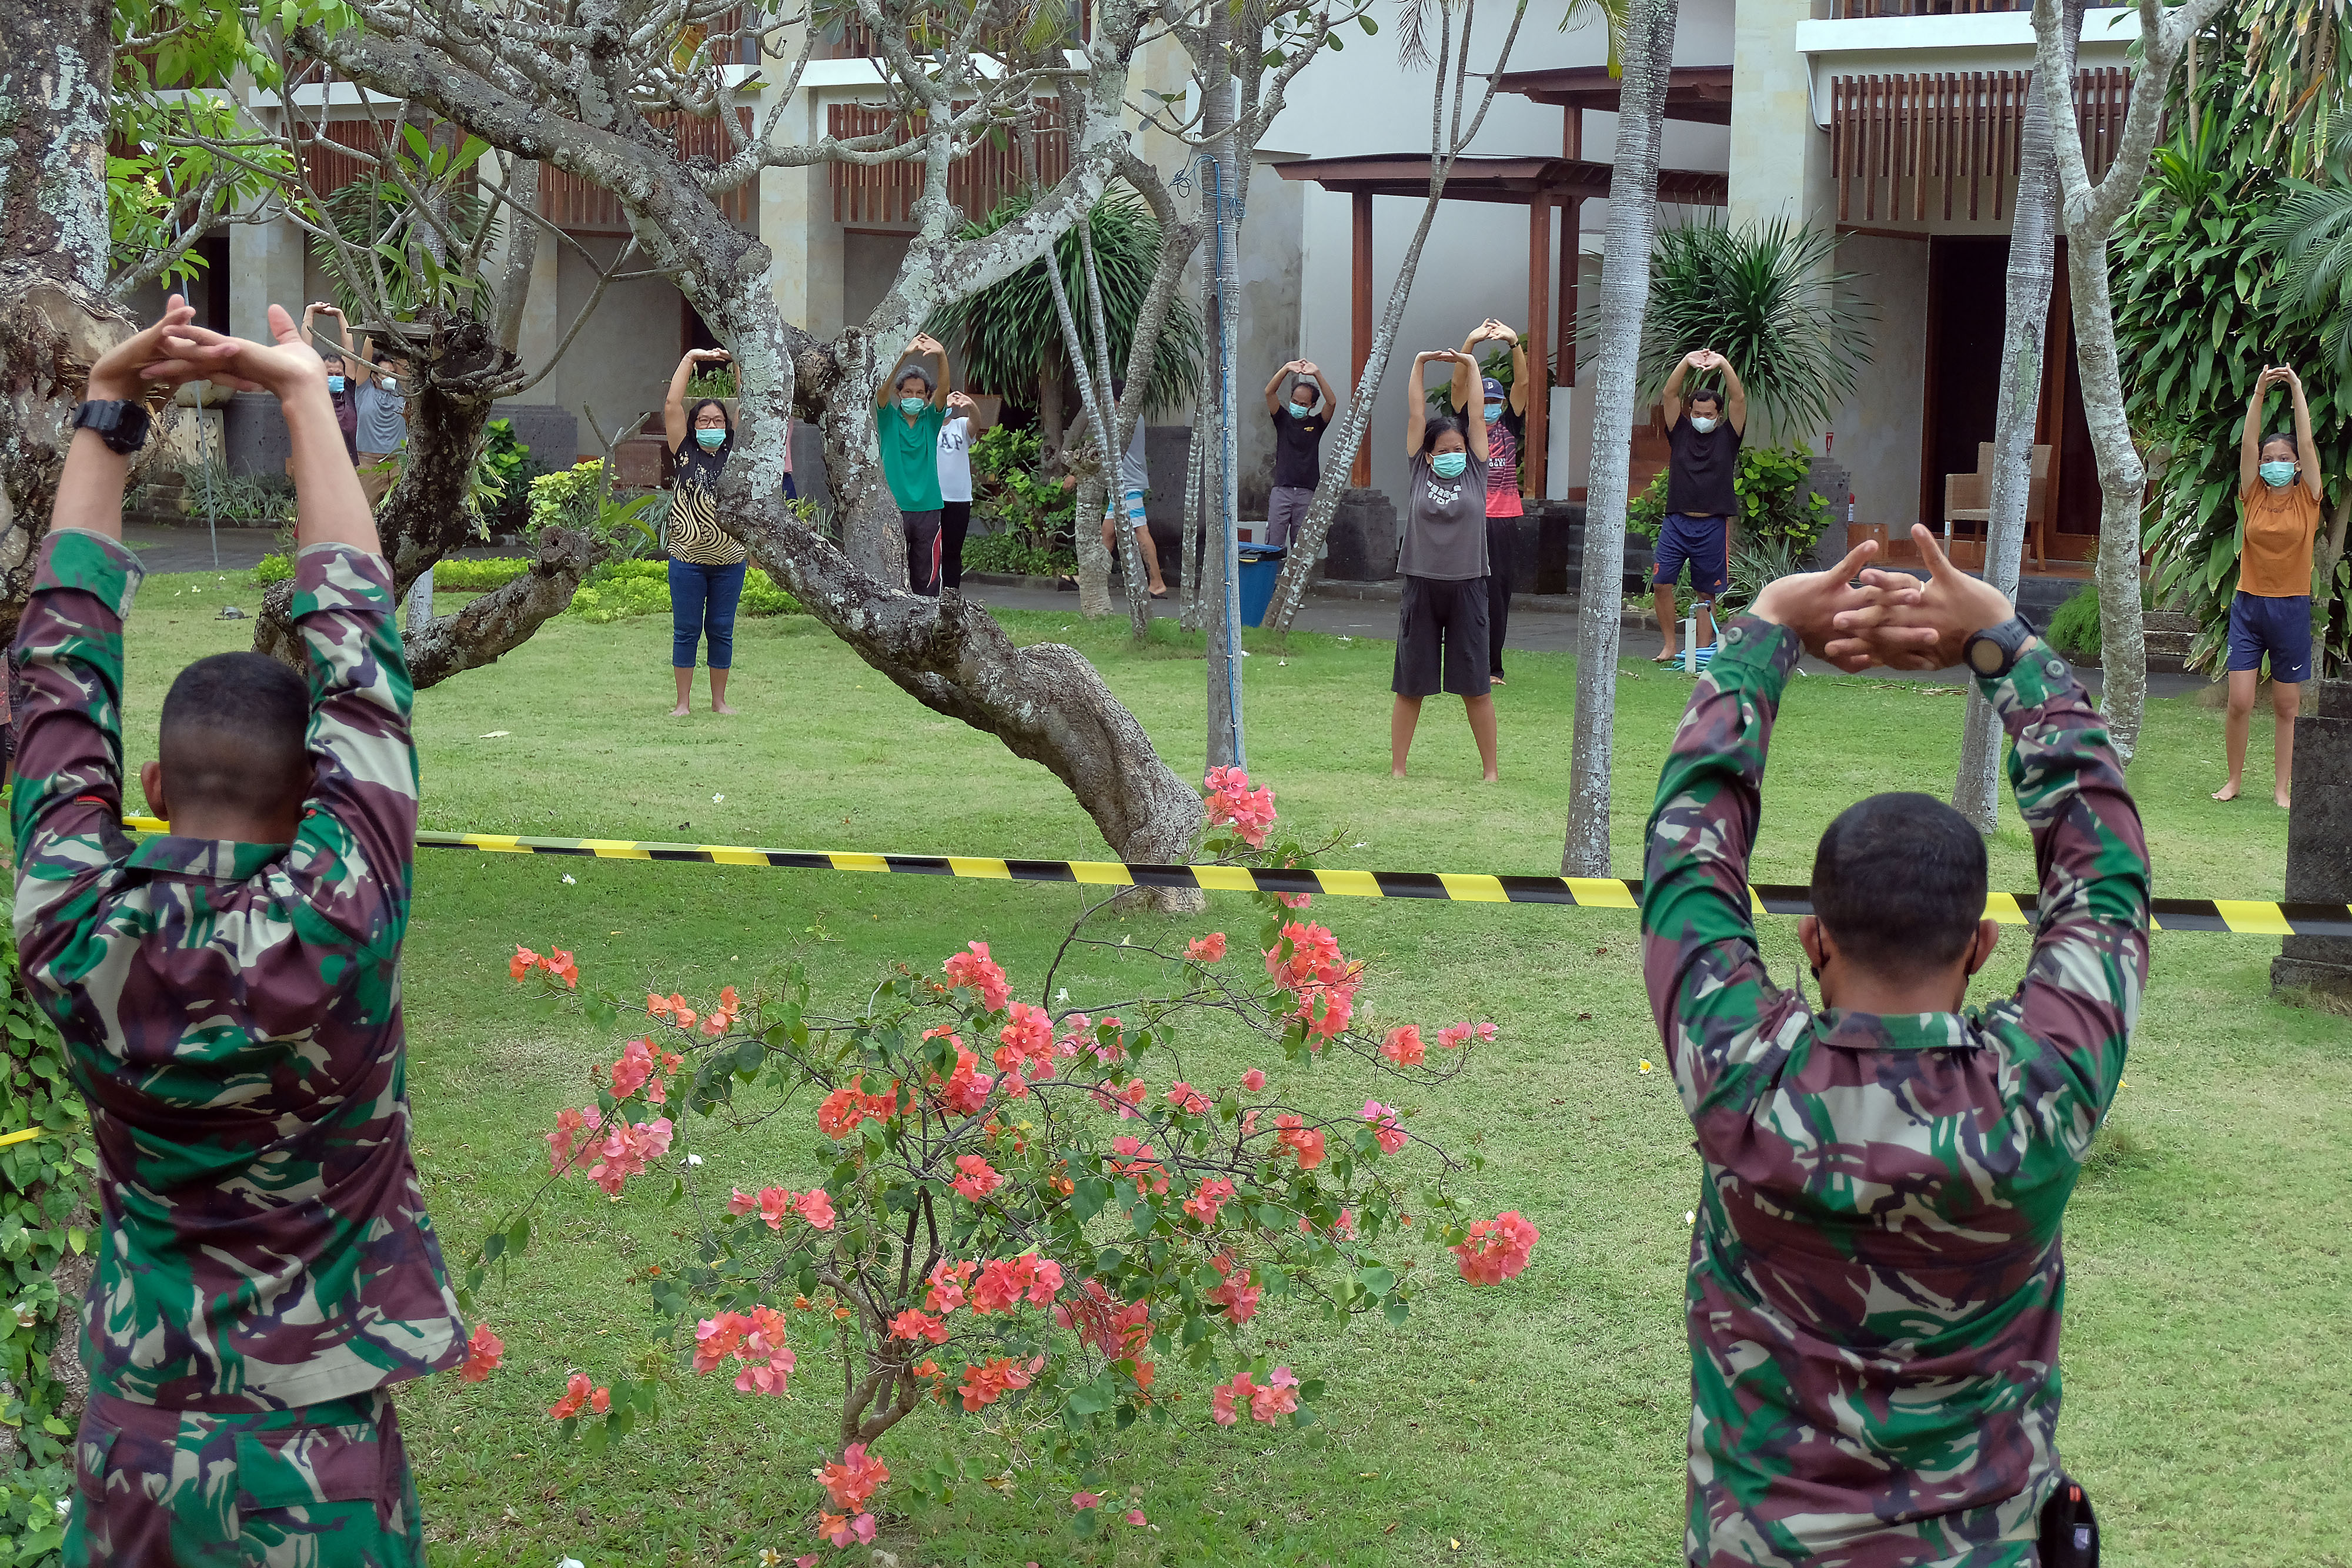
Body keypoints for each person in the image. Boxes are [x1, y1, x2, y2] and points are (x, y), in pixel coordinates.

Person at [16, 296, 470, 1563]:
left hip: (136, 1445)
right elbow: (359, 635)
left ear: (153, 791)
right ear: (318, 793)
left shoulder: (72, 918)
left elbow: (58, 678)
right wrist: (305, 393)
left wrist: (111, 415)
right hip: (319, 1460)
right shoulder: (344, 906)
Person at [1642, 523, 2149, 1567]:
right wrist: (2001, 642)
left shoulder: (1744, 1076)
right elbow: (2104, 873)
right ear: (1983, 947)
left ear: (1813, 940)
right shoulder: (2038, 1096)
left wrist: (1767, 631)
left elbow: (1689, 854)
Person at [2214, 363, 2324, 807]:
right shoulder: (2253, 493)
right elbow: (2247, 441)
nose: (2275, 465)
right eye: (2268, 460)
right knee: (2240, 700)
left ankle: (2282, 789)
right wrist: (2259, 392)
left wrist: (2296, 388)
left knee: (2286, 706)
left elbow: (2310, 440)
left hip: (2292, 608)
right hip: (2249, 606)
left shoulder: (2309, 496)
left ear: (2297, 465)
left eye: (2284, 460)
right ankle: (2234, 780)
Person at [1390, 348, 1496, 782]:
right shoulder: (1419, 470)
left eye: (1459, 447)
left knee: (1476, 686)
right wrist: (1418, 363)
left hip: (1468, 585)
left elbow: (1474, 417)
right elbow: (1416, 414)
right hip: (1422, 586)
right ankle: (1399, 767)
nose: (1453, 452)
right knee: (1410, 684)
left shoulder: (1476, 470)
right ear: (1430, 454)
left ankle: (1490, 771)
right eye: (1444, 449)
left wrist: (1470, 365)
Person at [664, 345, 747, 716]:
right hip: (687, 558)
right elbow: (671, 405)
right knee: (686, 631)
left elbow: (750, 403)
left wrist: (738, 363)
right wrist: (692, 358)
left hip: (731, 559)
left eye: (717, 421)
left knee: (721, 630)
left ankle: (719, 702)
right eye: (703, 421)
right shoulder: (683, 451)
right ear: (693, 426)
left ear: (726, 426)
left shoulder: (739, 451)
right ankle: (683, 703)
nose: (710, 427)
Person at [1653, 347, 1747, 664]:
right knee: (1661, 582)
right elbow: (1669, 394)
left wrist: (1722, 364)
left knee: (1706, 593)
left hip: (1712, 524)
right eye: (1697, 413)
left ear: (1718, 416)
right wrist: (1685, 362)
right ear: (1689, 411)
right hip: (1677, 522)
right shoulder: (1679, 432)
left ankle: (1702, 654)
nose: (1702, 419)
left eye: (1709, 415)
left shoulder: (1728, 436)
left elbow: (1739, 400)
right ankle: (1669, 645)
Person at [1454, 320, 1527, 683]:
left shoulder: (1510, 425)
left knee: (1497, 591)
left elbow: (1524, 385)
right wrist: (1470, 343)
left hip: (1502, 518)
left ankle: (1493, 666)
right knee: (1462, 587)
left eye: (1497, 401)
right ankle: (1462, 660)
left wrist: (1515, 344)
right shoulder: (1465, 427)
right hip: (1467, 516)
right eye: (1487, 401)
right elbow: (1456, 386)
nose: (1493, 407)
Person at [878, 333, 953, 596]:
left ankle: (927, 627)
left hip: (928, 510)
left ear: (926, 397)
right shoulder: (888, 419)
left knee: (927, 579)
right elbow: (881, 391)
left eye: (920, 392)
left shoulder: (930, 421)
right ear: (900, 394)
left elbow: (944, 389)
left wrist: (942, 355)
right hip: (893, 508)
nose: (913, 396)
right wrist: (902, 355)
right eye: (908, 391)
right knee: (890, 578)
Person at [1263, 357, 1336, 551]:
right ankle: (1272, 580)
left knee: (1302, 546)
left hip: (1307, 493)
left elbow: (1332, 402)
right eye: (1295, 401)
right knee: (1273, 545)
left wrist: (1317, 374)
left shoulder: (1317, 424)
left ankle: (1297, 582)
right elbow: (1269, 392)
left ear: (1312, 405)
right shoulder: (1283, 419)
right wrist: (1286, 368)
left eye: (1303, 403)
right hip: (1282, 490)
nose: (1298, 405)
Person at [936, 389, 988, 592]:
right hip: (932, 498)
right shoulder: (927, 426)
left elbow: (975, 423)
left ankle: (951, 596)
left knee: (952, 551)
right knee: (929, 552)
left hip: (959, 499)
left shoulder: (959, 426)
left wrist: (971, 405)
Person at [352, 336, 410, 508]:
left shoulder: (402, 391)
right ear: (374, 375)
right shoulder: (363, 390)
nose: (388, 376)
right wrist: (374, 332)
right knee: (366, 517)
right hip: (369, 466)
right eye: (384, 372)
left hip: (397, 466)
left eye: (392, 372)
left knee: (398, 517)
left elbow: (404, 364)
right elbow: (365, 359)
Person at [302, 302, 360, 462]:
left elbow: (349, 352)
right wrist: (310, 311)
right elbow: (305, 350)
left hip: (348, 463)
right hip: (319, 462)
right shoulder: (314, 390)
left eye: (338, 373)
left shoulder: (348, 389)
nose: (334, 376)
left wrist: (339, 315)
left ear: (345, 376)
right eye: (329, 373)